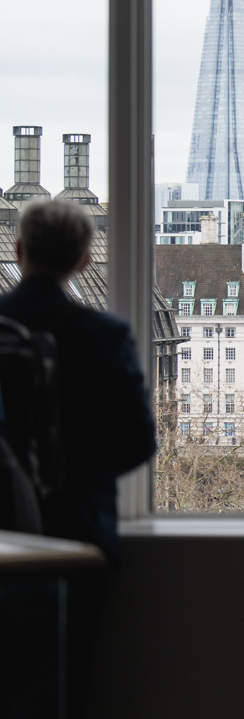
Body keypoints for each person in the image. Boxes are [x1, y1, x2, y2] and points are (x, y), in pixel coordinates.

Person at [0, 198, 156, 562]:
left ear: (19, 249)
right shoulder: (105, 334)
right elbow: (138, 441)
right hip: (79, 527)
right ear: (85, 261)